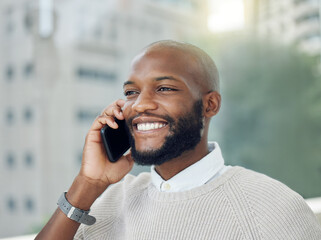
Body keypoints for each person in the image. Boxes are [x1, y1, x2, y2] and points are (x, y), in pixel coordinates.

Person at [36, 40, 321, 240]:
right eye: (131, 92)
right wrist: (88, 184)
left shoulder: (273, 208)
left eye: (164, 88)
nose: (140, 105)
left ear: (210, 105)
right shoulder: (106, 203)